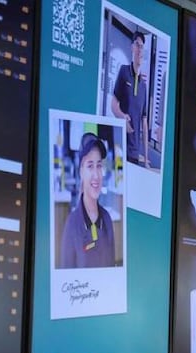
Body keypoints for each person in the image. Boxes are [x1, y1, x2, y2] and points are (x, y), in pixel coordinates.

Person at [60, 132, 115, 269]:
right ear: (81, 172)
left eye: (99, 165)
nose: (96, 175)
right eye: (90, 166)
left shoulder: (107, 220)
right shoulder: (72, 225)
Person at [110, 30, 149, 168]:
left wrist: (145, 158)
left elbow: (144, 123)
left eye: (142, 46)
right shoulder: (124, 71)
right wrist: (122, 117)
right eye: (137, 45)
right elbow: (113, 104)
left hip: (135, 153)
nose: (139, 49)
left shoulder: (144, 85)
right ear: (132, 47)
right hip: (119, 146)